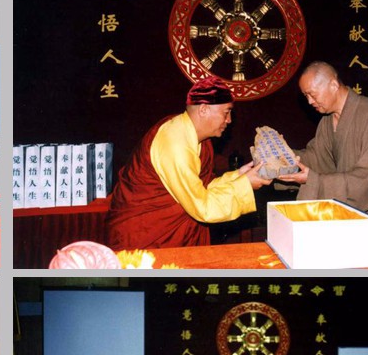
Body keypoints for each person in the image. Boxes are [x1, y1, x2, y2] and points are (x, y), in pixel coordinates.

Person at [105, 75, 271, 250]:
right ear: (204, 109)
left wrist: (238, 176)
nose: (229, 120)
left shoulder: (193, 136)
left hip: (174, 232)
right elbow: (204, 207)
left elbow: (202, 188)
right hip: (145, 235)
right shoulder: (175, 142)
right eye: (226, 112)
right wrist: (245, 184)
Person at [276, 61, 368, 233]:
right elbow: (317, 159)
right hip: (355, 218)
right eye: (306, 96)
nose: (309, 101)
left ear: (333, 85)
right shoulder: (327, 121)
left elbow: (367, 179)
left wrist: (313, 181)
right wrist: (285, 156)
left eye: (312, 94)